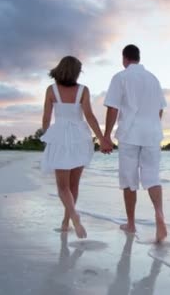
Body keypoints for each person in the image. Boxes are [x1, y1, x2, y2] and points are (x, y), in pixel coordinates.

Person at [41, 55, 112, 239]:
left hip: (60, 137)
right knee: (74, 185)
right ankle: (67, 221)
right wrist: (103, 138)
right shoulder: (83, 90)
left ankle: (73, 217)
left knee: (63, 187)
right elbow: (89, 116)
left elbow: (46, 118)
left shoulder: (51, 90)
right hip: (80, 137)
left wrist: (46, 136)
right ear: (76, 72)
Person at [103, 44, 168, 243]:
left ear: (125, 58)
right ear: (138, 58)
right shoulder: (153, 79)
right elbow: (160, 109)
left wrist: (106, 136)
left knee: (129, 180)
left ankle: (131, 224)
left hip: (130, 134)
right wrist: (152, 126)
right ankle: (159, 214)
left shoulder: (120, 77)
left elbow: (113, 108)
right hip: (152, 134)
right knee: (152, 177)